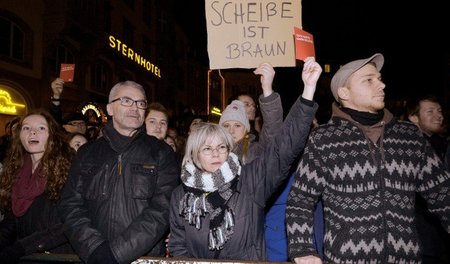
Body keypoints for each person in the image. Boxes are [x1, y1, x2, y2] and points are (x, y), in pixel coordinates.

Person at [286, 53, 450, 263]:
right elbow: (301, 200)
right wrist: (302, 250)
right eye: (368, 80)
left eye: (379, 79)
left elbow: (443, 194)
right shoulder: (324, 139)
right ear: (344, 93)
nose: (381, 85)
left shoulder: (409, 136)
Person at [168, 57, 321, 260]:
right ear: (195, 154)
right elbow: (179, 245)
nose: (216, 153)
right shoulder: (181, 195)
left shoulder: (249, 180)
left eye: (222, 147)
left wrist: (308, 90)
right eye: (207, 148)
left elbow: (284, 148)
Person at [58, 80, 181, 263]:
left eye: (140, 103)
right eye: (126, 100)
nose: (135, 107)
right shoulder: (87, 152)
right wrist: (93, 247)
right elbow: (70, 204)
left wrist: (116, 253)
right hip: (92, 256)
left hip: (142, 259)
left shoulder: (161, 152)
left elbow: (162, 209)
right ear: (109, 109)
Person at [0, 109, 75, 263]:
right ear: (19, 136)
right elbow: (11, 221)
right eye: (26, 128)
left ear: (52, 136)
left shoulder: (68, 170)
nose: (32, 133)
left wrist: (20, 248)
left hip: (57, 257)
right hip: (26, 256)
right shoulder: (16, 171)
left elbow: (66, 225)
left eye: (41, 128)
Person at [407, 94, 450, 263]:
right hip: (421, 238)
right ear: (414, 118)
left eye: (439, 111)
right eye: (430, 111)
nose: (438, 116)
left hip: (440, 238)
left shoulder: (442, 144)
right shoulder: (409, 150)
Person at [219, 62, 283, 165]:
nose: (231, 130)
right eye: (226, 125)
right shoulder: (212, 151)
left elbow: (272, 129)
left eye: (237, 125)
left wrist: (267, 89)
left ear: (246, 129)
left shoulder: (254, 150)